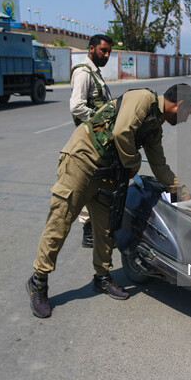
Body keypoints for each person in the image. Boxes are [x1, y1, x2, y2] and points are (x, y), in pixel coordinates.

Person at [26, 84, 191, 318]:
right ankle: (39, 282)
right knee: (60, 223)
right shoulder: (143, 98)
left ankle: (102, 277)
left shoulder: (155, 127)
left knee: (106, 227)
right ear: (181, 105)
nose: (187, 119)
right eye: (188, 113)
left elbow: (159, 166)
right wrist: (133, 163)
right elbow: (121, 132)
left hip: (108, 170)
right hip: (82, 161)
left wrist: (182, 193)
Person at [70, 34, 114, 248]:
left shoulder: (96, 74)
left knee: (102, 181)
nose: (106, 55)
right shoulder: (83, 72)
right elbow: (76, 106)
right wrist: (100, 122)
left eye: (108, 52)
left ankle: (98, 227)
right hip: (90, 139)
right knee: (90, 182)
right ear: (91, 49)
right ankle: (88, 230)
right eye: (102, 51)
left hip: (99, 139)